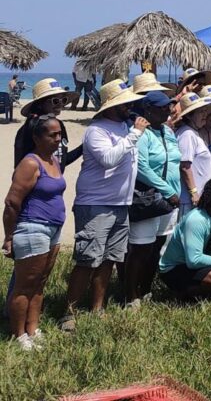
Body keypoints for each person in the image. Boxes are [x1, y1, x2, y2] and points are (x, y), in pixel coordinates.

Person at [59, 80, 144, 332]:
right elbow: (108, 159)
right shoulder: (97, 130)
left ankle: (98, 308)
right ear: (111, 106)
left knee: (109, 259)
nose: (129, 106)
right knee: (87, 259)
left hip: (120, 204)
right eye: (124, 103)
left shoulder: (124, 126)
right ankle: (69, 312)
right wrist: (134, 134)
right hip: (96, 203)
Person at [3, 114, 66, 350]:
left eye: (59, 134)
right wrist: (9, 236)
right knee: (25, 285)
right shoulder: (31, 163)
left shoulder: (53, 160)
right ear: (36, 138)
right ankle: (18, 335)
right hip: (33, 227)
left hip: (53, 229)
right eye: (52, 135)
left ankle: (33, 328)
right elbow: (11, 202)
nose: (58, 139)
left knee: (40, 282)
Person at [121, 91, 182, 306]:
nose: (168, 111)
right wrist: (167, 190)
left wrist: (176, 193)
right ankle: (131, 296)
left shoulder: (168, 131)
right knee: (140, 248)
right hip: (149, 197)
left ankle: (146, 289)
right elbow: (142, 168)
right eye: (162, 108)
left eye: (169, 107)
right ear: (148, 110)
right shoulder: (143, 133)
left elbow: (176, 162)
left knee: (158, 247)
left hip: (171, 200)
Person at [13, 78, 76, 171]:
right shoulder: (29, 129)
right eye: (55, 101)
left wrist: (85, 146)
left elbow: (61, 160)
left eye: (63, 100)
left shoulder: (60, 126)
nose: (60, 105)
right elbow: (20, 167)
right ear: (40, 104)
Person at [172, 92, 211, 214]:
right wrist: (194, 193)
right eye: (200, 112)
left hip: (198, 197)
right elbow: (185, 166)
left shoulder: (193, 133)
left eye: (205, 111)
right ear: (190, 115)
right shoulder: (187, 134)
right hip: (189, 200)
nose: (204, 115)